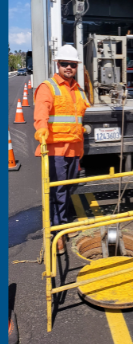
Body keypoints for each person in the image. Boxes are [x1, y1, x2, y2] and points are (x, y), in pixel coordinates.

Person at [33, 45, 91, 254]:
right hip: (56, 149)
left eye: (72, 64)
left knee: (67, 190)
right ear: (57, 64)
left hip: (74, 148)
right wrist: (41, 130)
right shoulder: (48, 87)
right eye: (64, 64)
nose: (68, 67)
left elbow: (83, 111)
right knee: (57, 191)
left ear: (76, 67)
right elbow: (41, 113)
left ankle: (63, 224)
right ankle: (57, 233)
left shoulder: (77, 89)